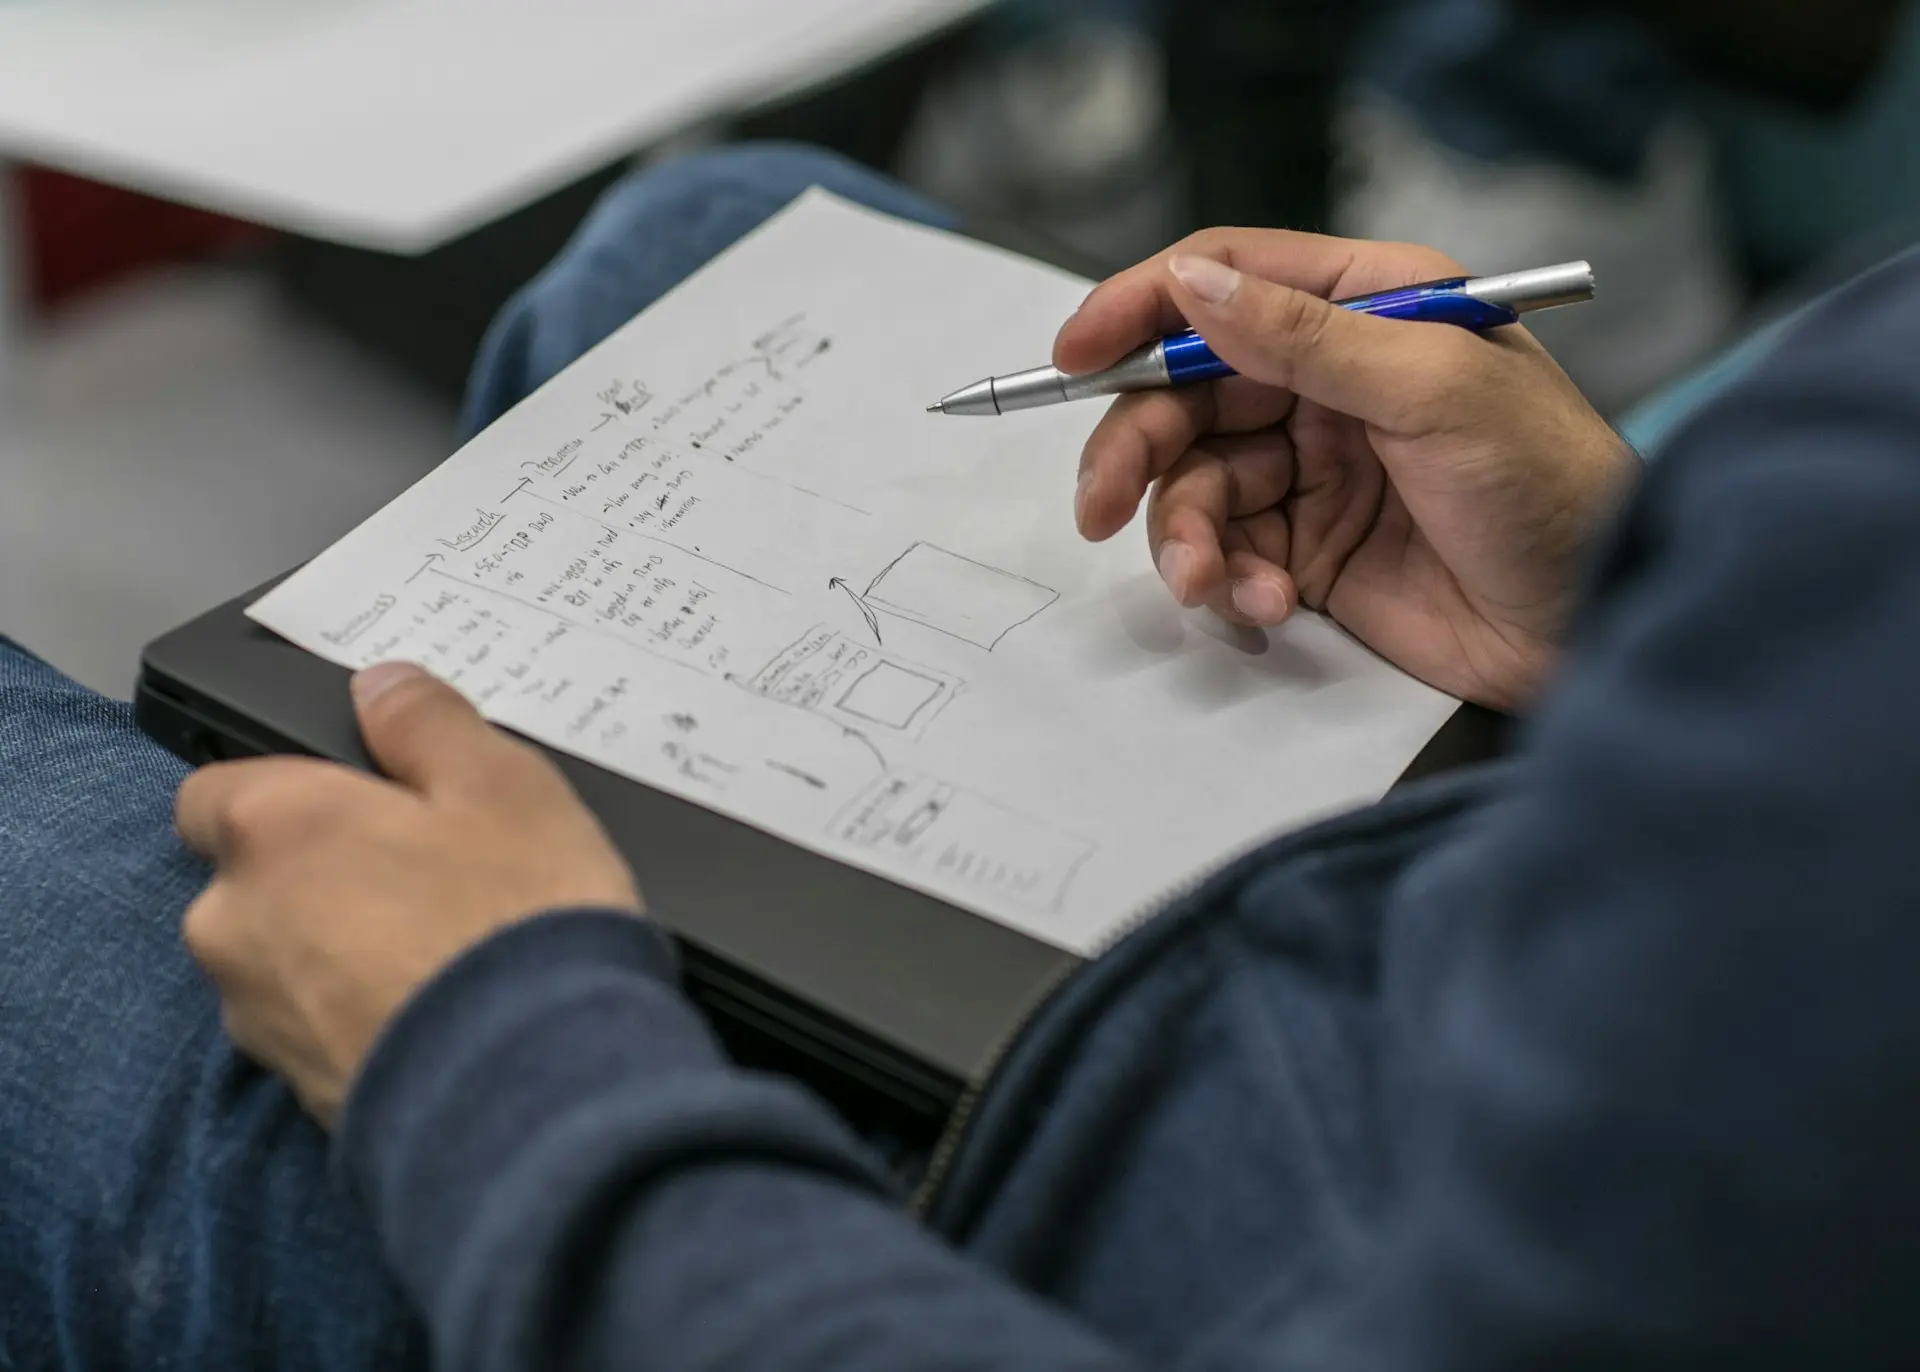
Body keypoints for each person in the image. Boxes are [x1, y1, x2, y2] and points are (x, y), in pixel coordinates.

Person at [6, 140, 1920, 1371]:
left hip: (978, 1255)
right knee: (701, 231)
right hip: (1440, 996)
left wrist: (499, 1076)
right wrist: (1630, 609)